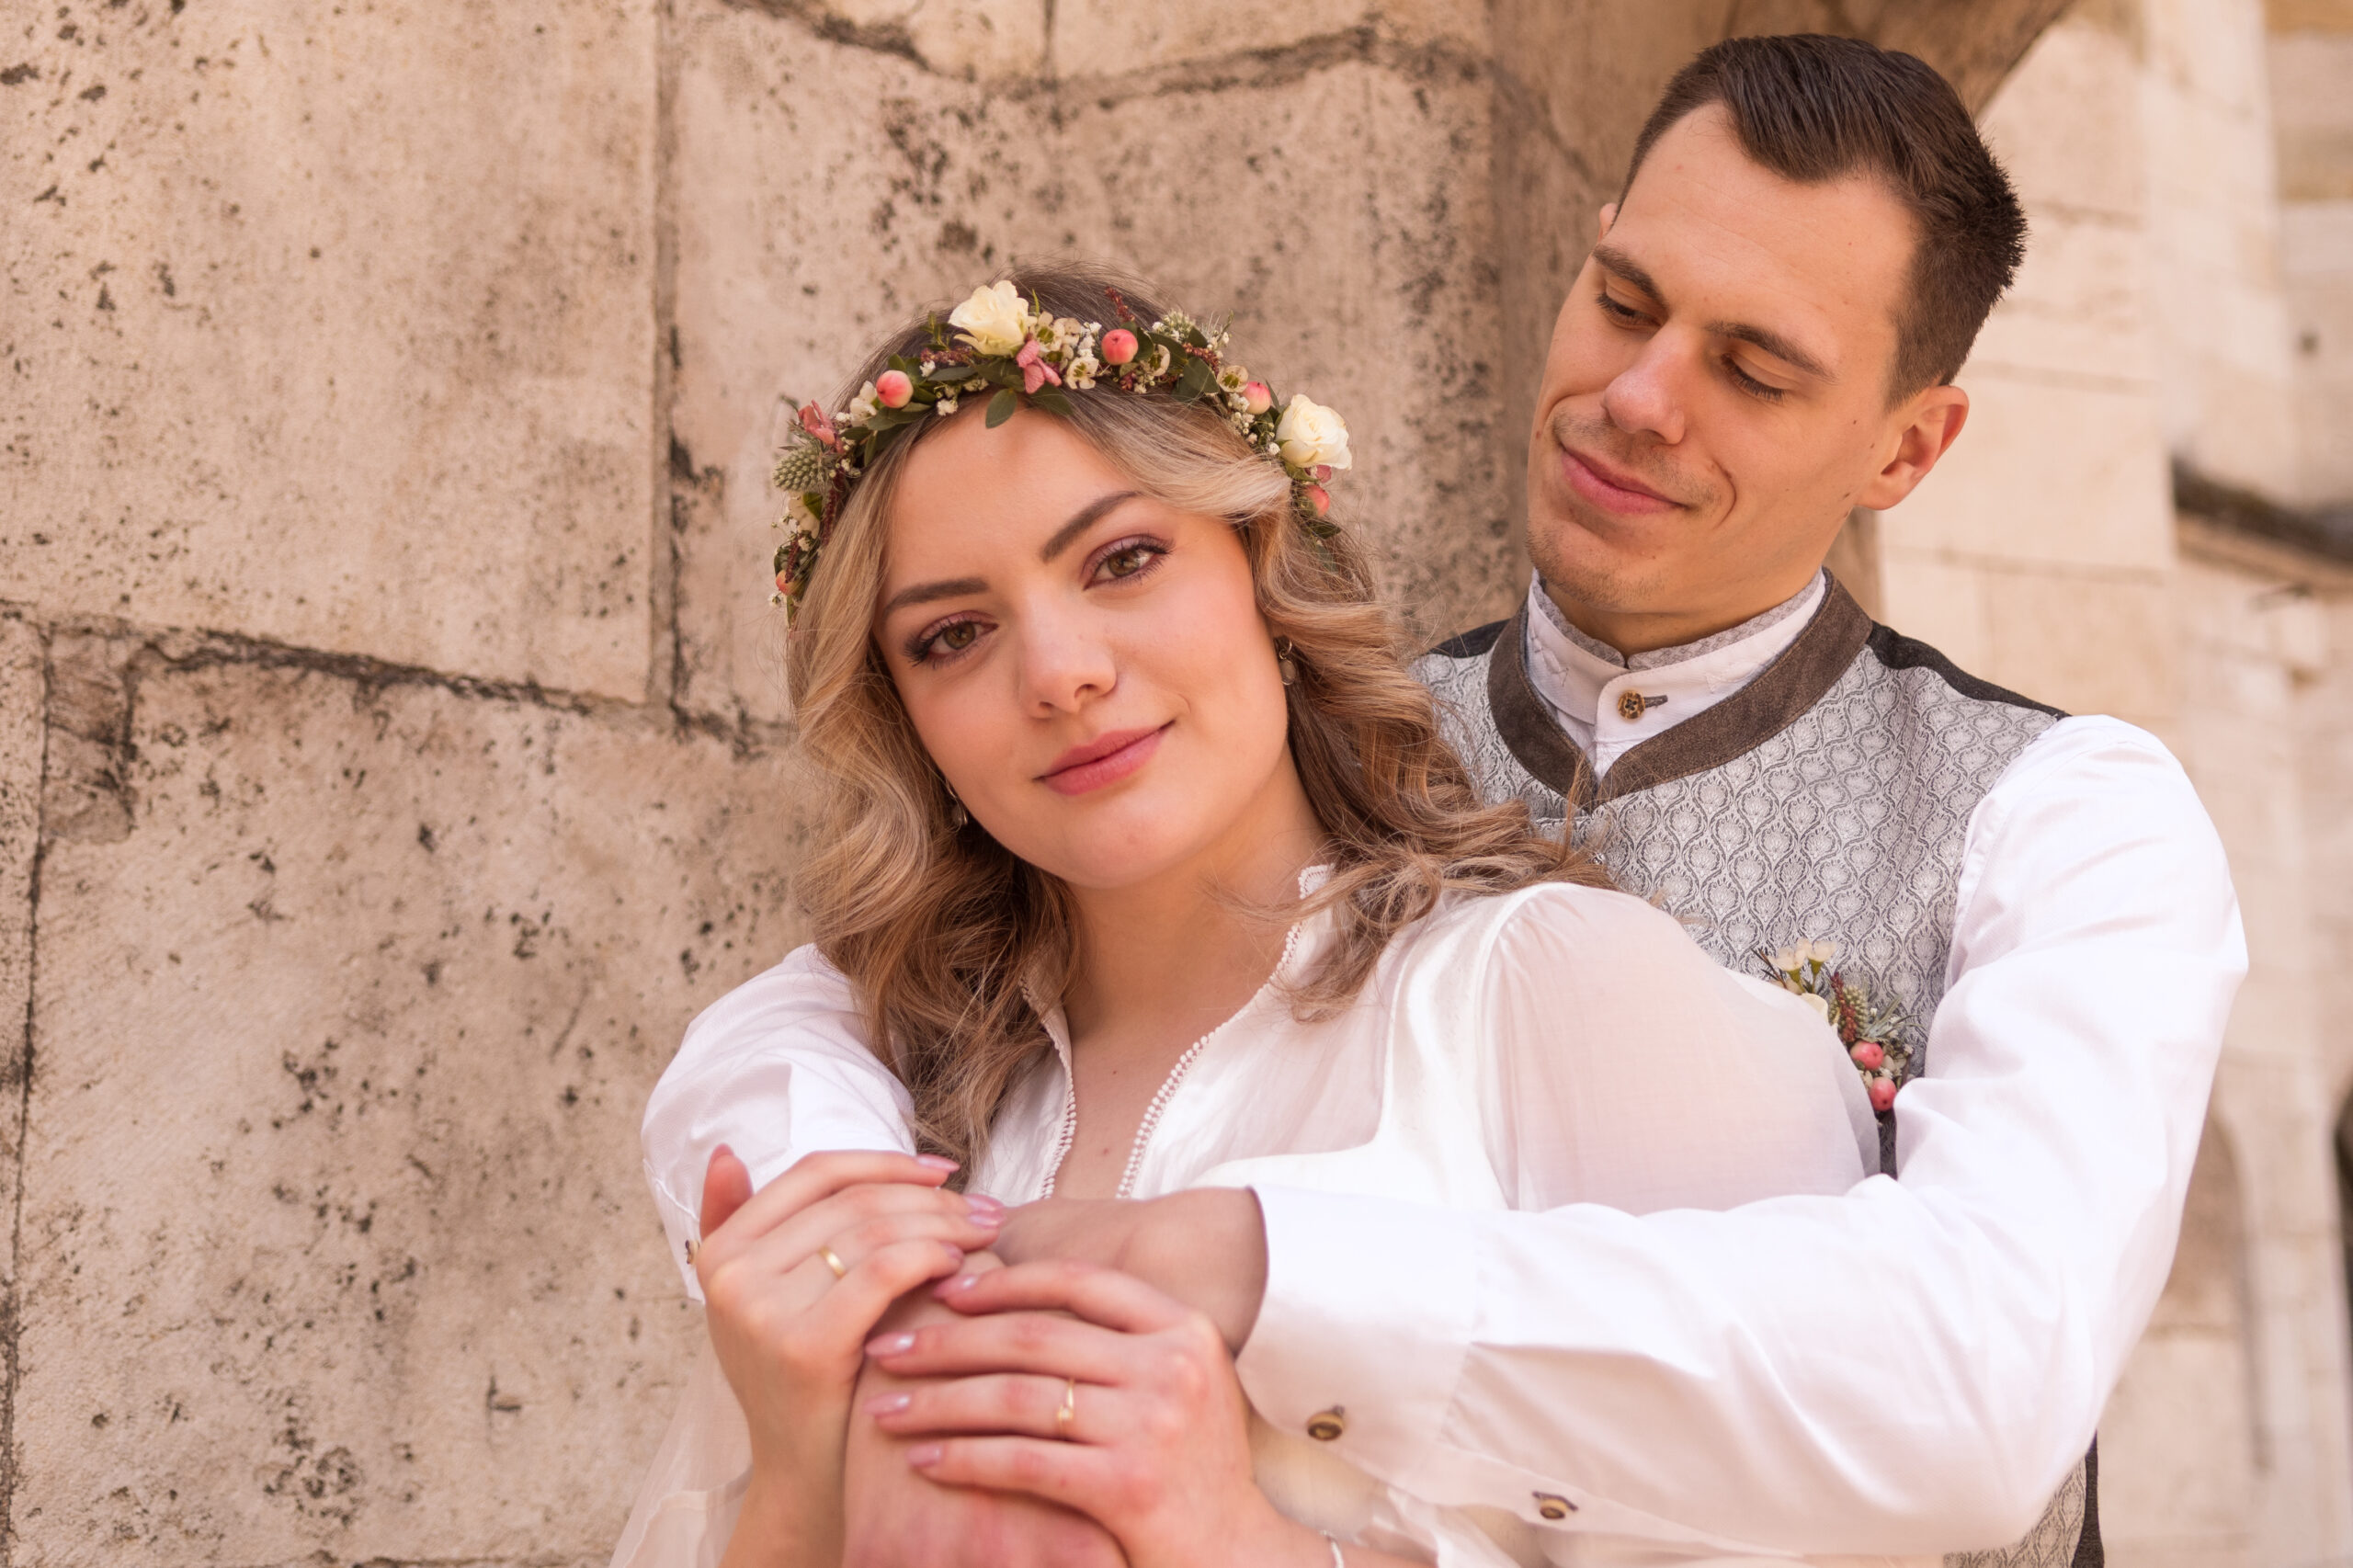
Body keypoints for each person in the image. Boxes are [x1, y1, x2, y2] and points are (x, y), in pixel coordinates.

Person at [637, 33, 2245, 1568]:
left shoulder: (2058, 814)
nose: (1641, 396)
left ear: (1907, 449)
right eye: (1624, 302)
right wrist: (839, 1225)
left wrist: (1262, 1260)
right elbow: (809, 1018)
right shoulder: (1276, 748)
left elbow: (1983, 1369)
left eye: (1754, 371)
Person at [608, 264, 1881, 1568]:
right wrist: (800, 1467)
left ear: (1264, 567)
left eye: (1123, 560)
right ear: (909, 725)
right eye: (952, 635)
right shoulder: (898, 1104)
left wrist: (1234, 1539)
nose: (1060, 674)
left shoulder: (1556, 998)